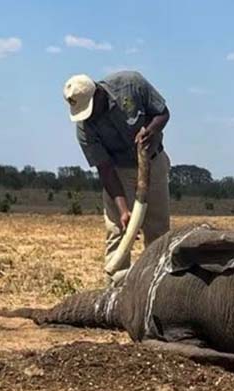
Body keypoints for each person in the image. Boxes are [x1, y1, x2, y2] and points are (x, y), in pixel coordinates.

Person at [63, 71, 171, 283]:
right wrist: (123, 210)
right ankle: (114, 289)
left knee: (158, 231)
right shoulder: (85, 129)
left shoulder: (131, 84)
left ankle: (158, 285)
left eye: (90, 109)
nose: (89, 117)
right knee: (117, 232)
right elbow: (105, 169)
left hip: (153, 162)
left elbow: (163, 113)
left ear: (99, 93)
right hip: (118, 172)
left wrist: (151, 131)